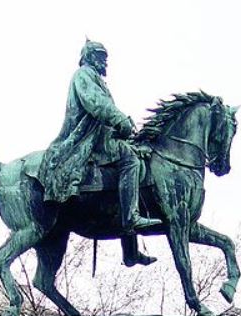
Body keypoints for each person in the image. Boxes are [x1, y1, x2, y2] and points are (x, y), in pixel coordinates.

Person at [39, 41, 160, 248]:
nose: (106, 62)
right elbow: (96, 103)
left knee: (135, 155)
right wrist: (120, 121)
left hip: (101, 135)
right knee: (130, 159)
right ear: (90, 56)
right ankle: (131, 217)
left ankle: (130, 251)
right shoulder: (83, 74)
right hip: (89, 138)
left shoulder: (95, 78)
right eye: (102, 56)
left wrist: (124, 125)